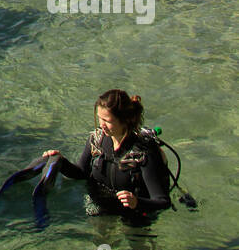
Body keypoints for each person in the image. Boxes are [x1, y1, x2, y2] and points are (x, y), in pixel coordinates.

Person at [41, 88, 172, 221]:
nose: (102, 125)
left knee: (133, 236)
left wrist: (136, 202)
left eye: (107, 121)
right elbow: (81, 173)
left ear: (125, 120)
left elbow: (163, 201)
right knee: (101, 241)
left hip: (135, 213)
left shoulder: (143, 154)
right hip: (101, 205)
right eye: (99, 118)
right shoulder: (96, 139)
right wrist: (61, 162)